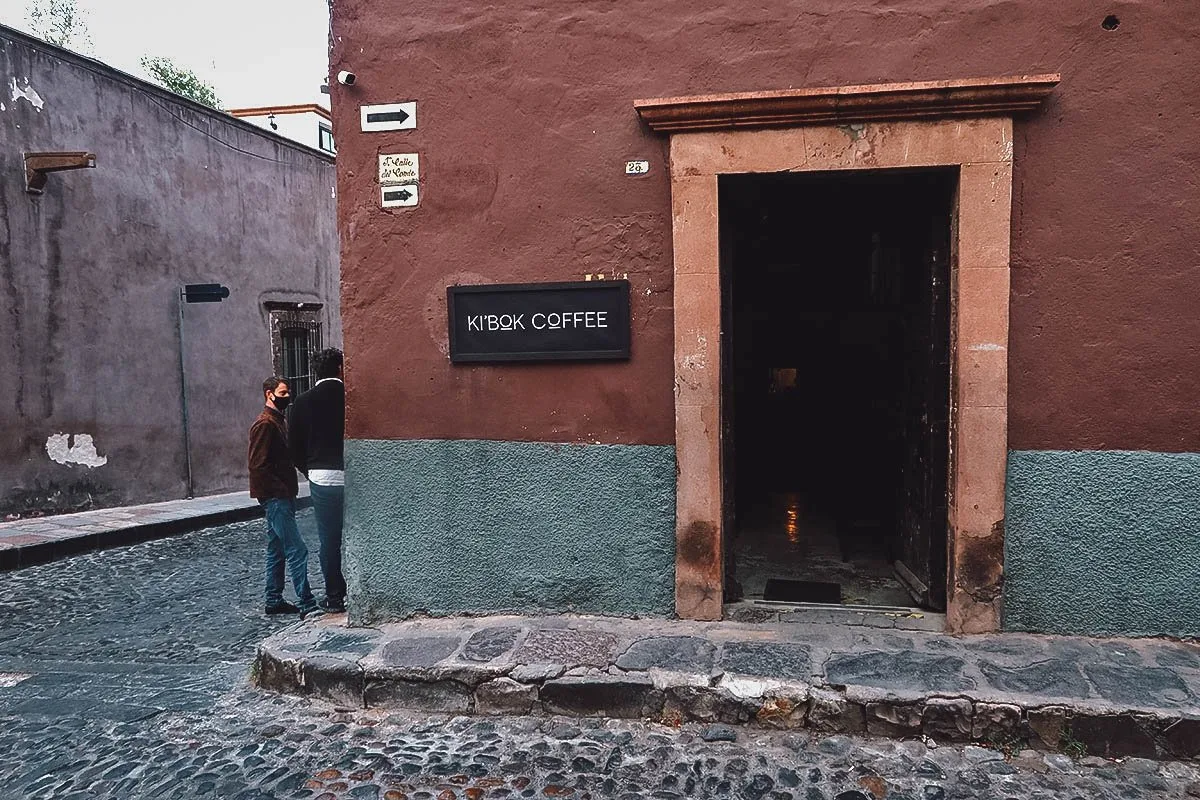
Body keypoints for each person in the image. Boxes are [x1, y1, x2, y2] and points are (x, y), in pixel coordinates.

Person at [248, 376, 318, 618]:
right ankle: (307, 603)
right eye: (283, 392)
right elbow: (258, 466)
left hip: (281, 496)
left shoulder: (277, 421)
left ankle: (273, 599)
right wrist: (276, 492)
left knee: (276, 549)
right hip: (277, 497)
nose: (287, 397)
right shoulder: (265, 424)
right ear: (269, 394)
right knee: (297, 549)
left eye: (288, 392)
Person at [287, 349, 347, 613]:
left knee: (329, 539)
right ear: (340, 369)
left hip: (321, 477)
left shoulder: (302, 402)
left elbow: (294, 449)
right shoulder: (351, 398)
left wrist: (309, 471)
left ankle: (334, 597)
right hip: (352, 474)